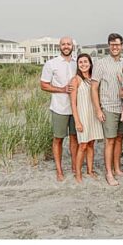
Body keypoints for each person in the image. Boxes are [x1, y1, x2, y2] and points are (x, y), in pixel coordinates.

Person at [91, 33, 123, 186]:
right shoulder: (101, 63)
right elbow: (94, 88)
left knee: (120, 139)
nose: (115, 47)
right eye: (112, 44)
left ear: (122, 46)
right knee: (110, 141)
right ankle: (108, 173)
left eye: (118, 44)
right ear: (109, 46)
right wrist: (98, 109)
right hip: (108, 107)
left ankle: (117, 168)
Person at [40, 37, 78, 182]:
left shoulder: (77, 63)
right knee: (58, 139)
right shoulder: (51, 64)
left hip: (75, 109)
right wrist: (61, 89)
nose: (66, 46)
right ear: (59, 46)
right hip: (59, 108)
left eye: (68, 44)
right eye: (63, 44)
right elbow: (43, 85)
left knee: (75, 139)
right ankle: (59, 170)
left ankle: (75, 167)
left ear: (72, 46)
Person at [68, 53, 102, 183]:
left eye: (85, 62)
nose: (83, 64)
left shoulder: (93, 78)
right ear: (77, 65)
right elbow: (73, 103)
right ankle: (78, 174)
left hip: (93, 114)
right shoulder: (75, 80)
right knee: (82, 145)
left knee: (91, 143)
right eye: (80, 62)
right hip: (82, 115)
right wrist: (77, 121)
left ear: (90, 63)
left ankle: (89, 170)